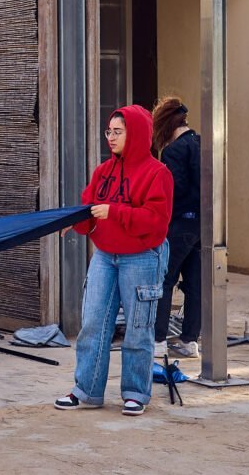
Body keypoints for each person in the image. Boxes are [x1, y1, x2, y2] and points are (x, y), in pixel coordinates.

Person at [55, 105, 172, 416]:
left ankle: (135, 393)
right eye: (109, 131)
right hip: (105, 256)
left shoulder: (158, 173)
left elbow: (157, 221)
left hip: (143, 257)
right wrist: (73, 220)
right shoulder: (103, 172)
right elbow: (89, 208)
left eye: (117, 131)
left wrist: (115, 212)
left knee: (138, 328)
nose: (111, 137)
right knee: (93, 322)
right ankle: (87, 390)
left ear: (136, 133)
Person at [152, 97, 201, 359]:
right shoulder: (201, 143)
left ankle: (158, 340)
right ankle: (190, 341)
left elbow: (174, 191)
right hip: (203, 225)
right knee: (195, 284)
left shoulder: (173, 151)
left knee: (164, 279)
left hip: (180, 223)